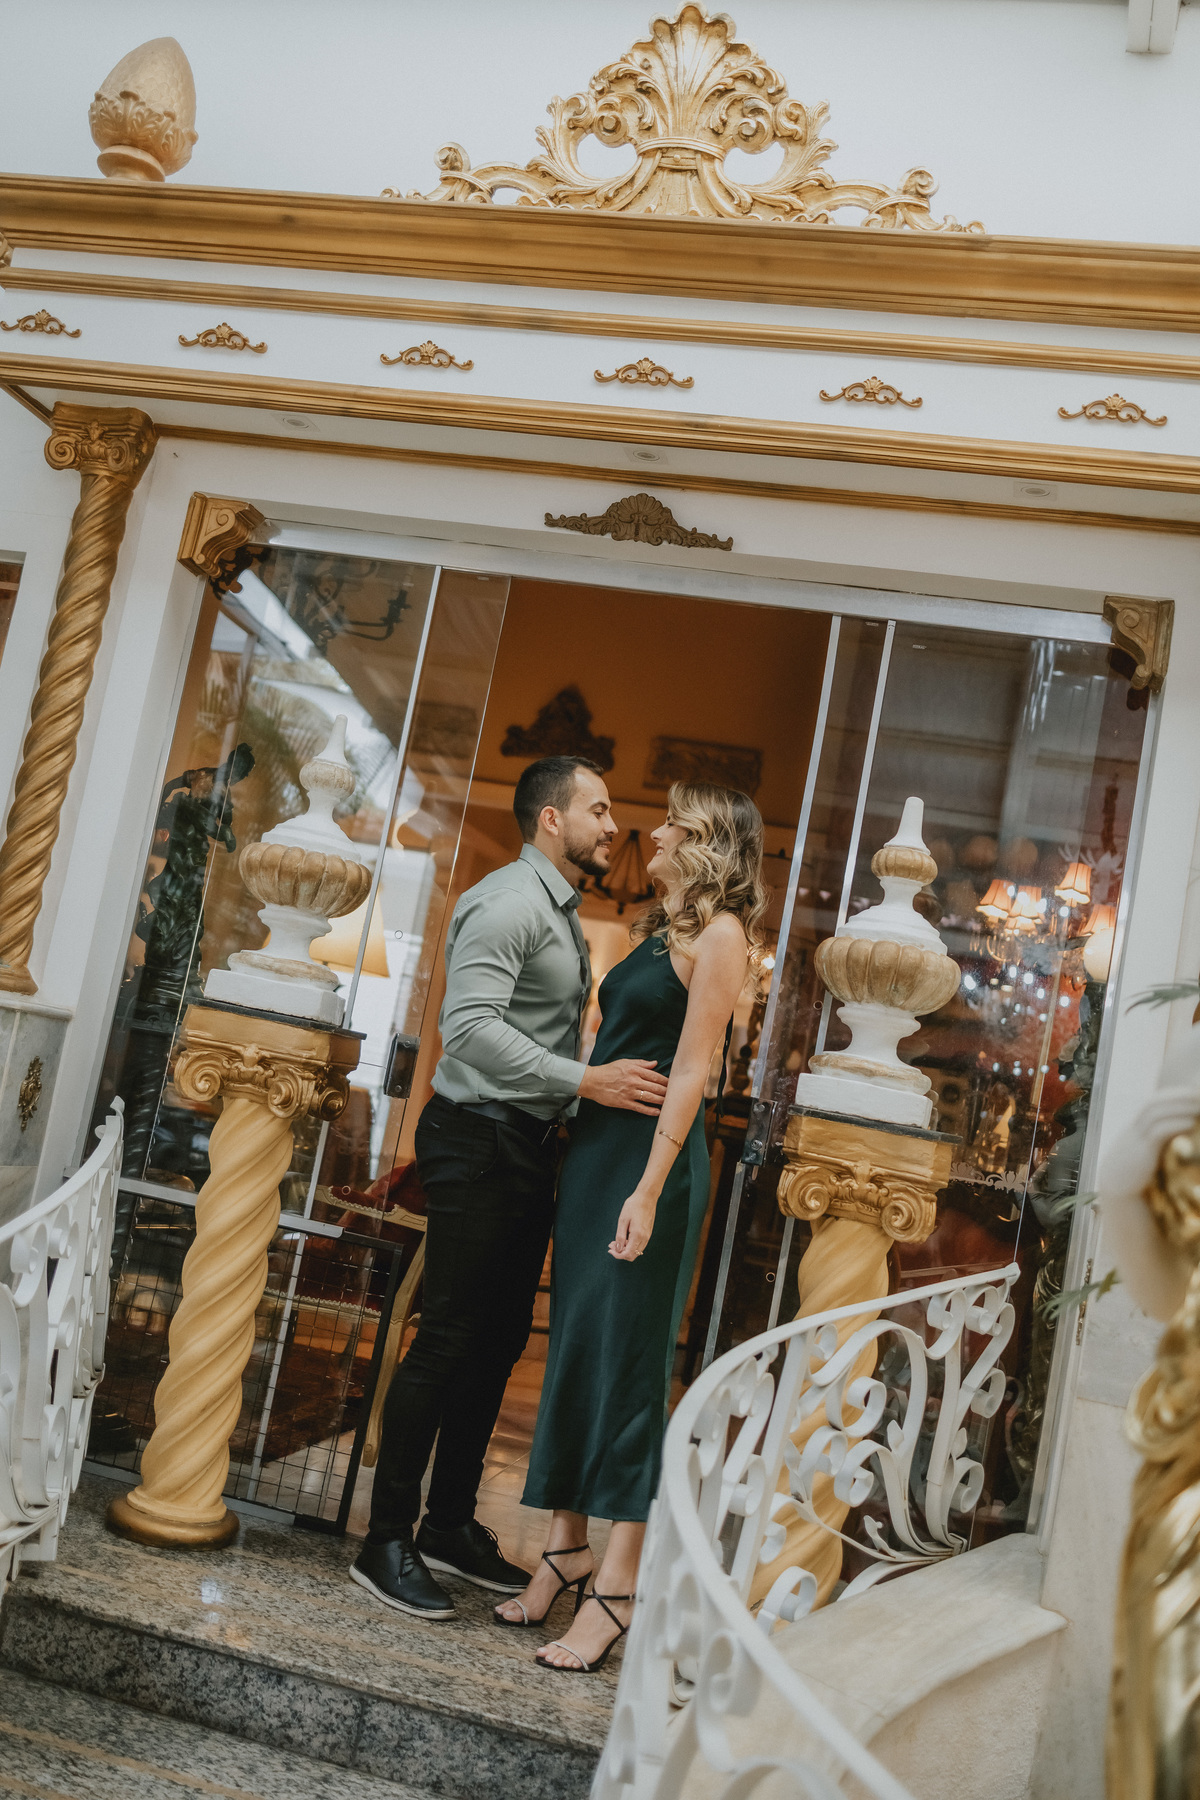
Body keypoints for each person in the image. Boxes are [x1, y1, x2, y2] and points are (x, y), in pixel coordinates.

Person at [351, 755, 671, 1619]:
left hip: (524, 1146)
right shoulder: (507, 902)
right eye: (598, 809)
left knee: (496, 1343)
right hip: (478, 1139)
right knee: (448, 1339)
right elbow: (468, 1031)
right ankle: (385, 1540)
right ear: (551, 819)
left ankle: (449, 1523)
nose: (613, 826)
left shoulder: (557, 909)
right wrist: (586, 1081)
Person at [495, 782, 767, 1672]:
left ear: (705, 839)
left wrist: (648, 1190)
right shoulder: (661, 931)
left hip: (650, 1166)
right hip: (595, 1158)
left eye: (674, 821)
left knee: (629, 1368)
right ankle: (564, 1550)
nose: (652, 831)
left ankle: (618, 1587)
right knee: (577, 1350)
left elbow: (692, 1072)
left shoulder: (723, 937)